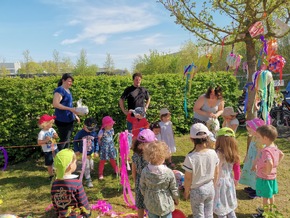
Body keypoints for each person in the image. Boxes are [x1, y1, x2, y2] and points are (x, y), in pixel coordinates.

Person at [182, 123, 219, 218]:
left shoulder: (190, 157)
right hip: (210, 187)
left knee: (198, 215)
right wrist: (213, 185)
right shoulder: (213, 153)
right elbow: (217, 171)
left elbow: (188, 178)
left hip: (197, 190)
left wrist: (186, 192)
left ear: (191, 139)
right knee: (209, 214)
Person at [140, 141, 179, 218]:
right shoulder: (168, 172)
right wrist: (176, 199)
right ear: (164, 156)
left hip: (151, 203)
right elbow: (174, 188)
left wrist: (146, 195)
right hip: (166, 203)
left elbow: (142, 187)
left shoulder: (145, 171)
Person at [252, 125, 284, 217]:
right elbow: (281, 154)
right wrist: (275, 165)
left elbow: (269, 161)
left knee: (265, 197)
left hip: (265, 178)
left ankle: (265, 214)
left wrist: (268, 171)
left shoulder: (266, 151)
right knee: (270, 194)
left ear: (265, 138)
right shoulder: (275, 147)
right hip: (272, 177)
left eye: (258, 137)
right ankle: (271, 209)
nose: (257, 139)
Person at [51, 149, 90, 217]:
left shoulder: (54, 184)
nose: (76, 164)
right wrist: (87, 213)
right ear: (70, 166)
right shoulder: (76, 183)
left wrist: (58, 214)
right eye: (75, 162)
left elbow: (55, 202)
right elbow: (83, 201)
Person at [213, 127, 240, 218]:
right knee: (228, 203)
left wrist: (213, 181)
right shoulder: (234, 152)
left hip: (219, 182)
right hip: (229, 180)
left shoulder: (218, 153)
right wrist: (236, 179)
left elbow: (217, 169)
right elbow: (237, 168)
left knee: (221, 204)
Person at [131, 129, 157, 218]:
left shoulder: (135, 154)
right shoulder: (151, 156)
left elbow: (133, 171)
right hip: (149, 182)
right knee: (150, 203)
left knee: (140, 204)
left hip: (139, 181)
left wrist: (135, 181)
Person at [53, 73, 80, 150]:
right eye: (69, 81)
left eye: (71, 81)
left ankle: (66, 157)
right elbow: (55, 104)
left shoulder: (67, 90)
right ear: (63, 80)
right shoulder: (60, 90)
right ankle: (57, 157)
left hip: (69, 119)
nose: (70, 83)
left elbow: (70, 105)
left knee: (67, 139)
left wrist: (75, 115)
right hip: (62, 119)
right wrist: (70, 109)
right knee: (64, 140)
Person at [239, 118, 265, 199]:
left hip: (256, 161)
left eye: (250, 131)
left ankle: (258, 191)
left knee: (256, 175)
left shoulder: (260, 140)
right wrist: (246, 157)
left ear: (256, 130)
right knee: (251, 174)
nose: (248, 132)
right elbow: (250, 149)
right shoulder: (254, 137)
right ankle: (252, 186)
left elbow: (260, 153)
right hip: (251, 160)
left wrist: (256, 163)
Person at [73, 117, 99, 188]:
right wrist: (77, 150)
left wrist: (96, 150)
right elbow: (75, 142)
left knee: (91, 165)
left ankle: (88, 172)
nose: (91, 131)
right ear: (84, 126)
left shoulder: (93, 133)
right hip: (83, 153)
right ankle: (88, 179)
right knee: (86, 166)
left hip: (91, 153)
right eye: (90, 129)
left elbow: (96, 142)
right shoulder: (80, 133)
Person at [37, 114, 59, 182]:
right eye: (50, 123)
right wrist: (46, 140)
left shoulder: (52, 129)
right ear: (45, 124)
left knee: (58, 161)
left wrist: (55, 135)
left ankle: (58, 173)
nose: (52, 124)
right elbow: (39, 142)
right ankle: (51, 175)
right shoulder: (42, 133)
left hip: (55, 148)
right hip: (47, 151)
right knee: (49, 163)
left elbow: (57, 136)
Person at [98, 116, 118, 180]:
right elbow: (99, 140)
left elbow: (111, 137)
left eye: (112, 124)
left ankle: (116, 170)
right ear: (106, 125)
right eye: (110, 124)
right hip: (104, 148)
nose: (112, 125)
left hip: (111, 147)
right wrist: (100, 147)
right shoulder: (102, 132)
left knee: (112, 159)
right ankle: (100, 173)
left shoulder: (112, 130)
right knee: (102, 161)